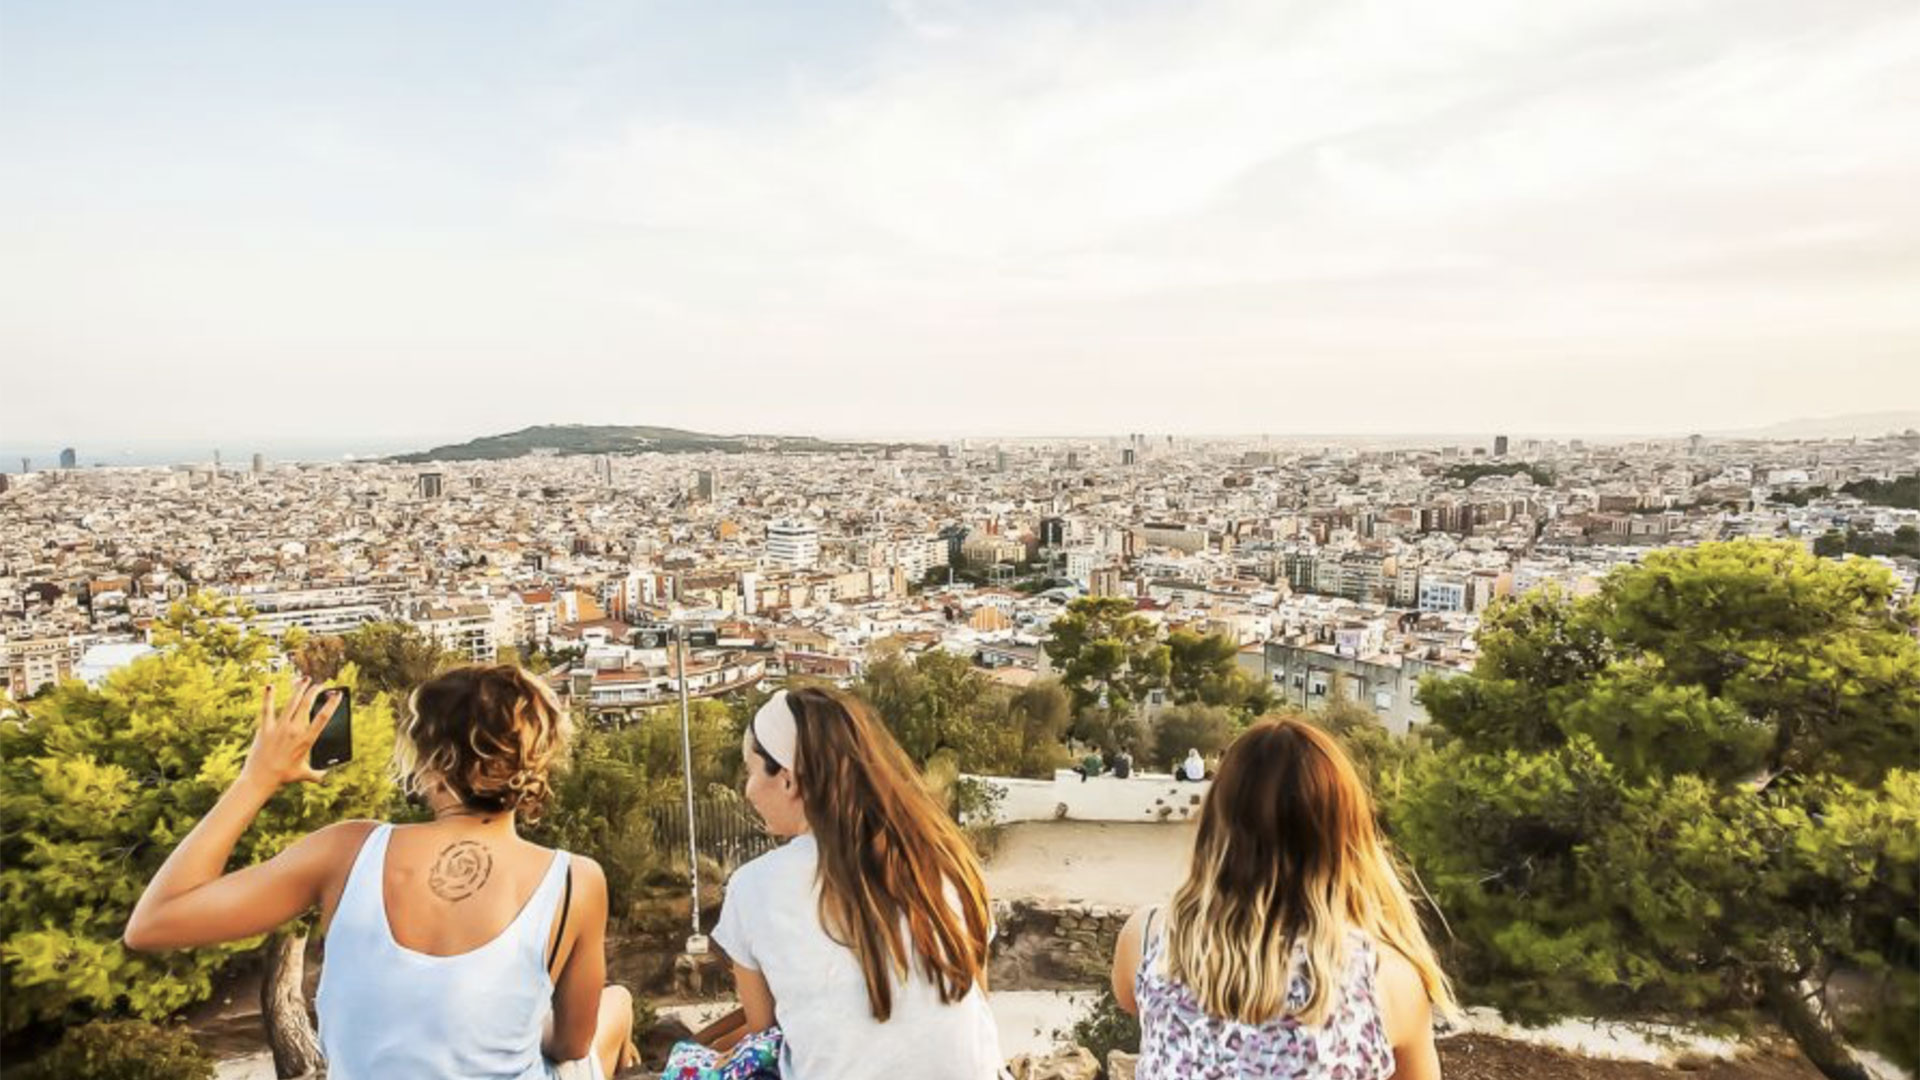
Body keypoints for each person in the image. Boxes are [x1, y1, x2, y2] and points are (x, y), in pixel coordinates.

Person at [123, 668, 635, 1080]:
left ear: (433, 761)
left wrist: (258, 778)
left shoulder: (347, 852)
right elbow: (570, 1043)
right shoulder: (576, 881)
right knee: (618, 1005)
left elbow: (154, 922)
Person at [1110, 718, 1454, 1080]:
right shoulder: (1387, 979)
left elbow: (1130, 998)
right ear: (1347, 837)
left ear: (1215, 824)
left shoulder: (1148, 939)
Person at [710, 687, 1004, 1079]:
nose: (747, 790)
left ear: (787, 779)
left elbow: (764, 1034)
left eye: (750, 771)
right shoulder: (946, 860)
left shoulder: (753, 889)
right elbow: (974, 997)